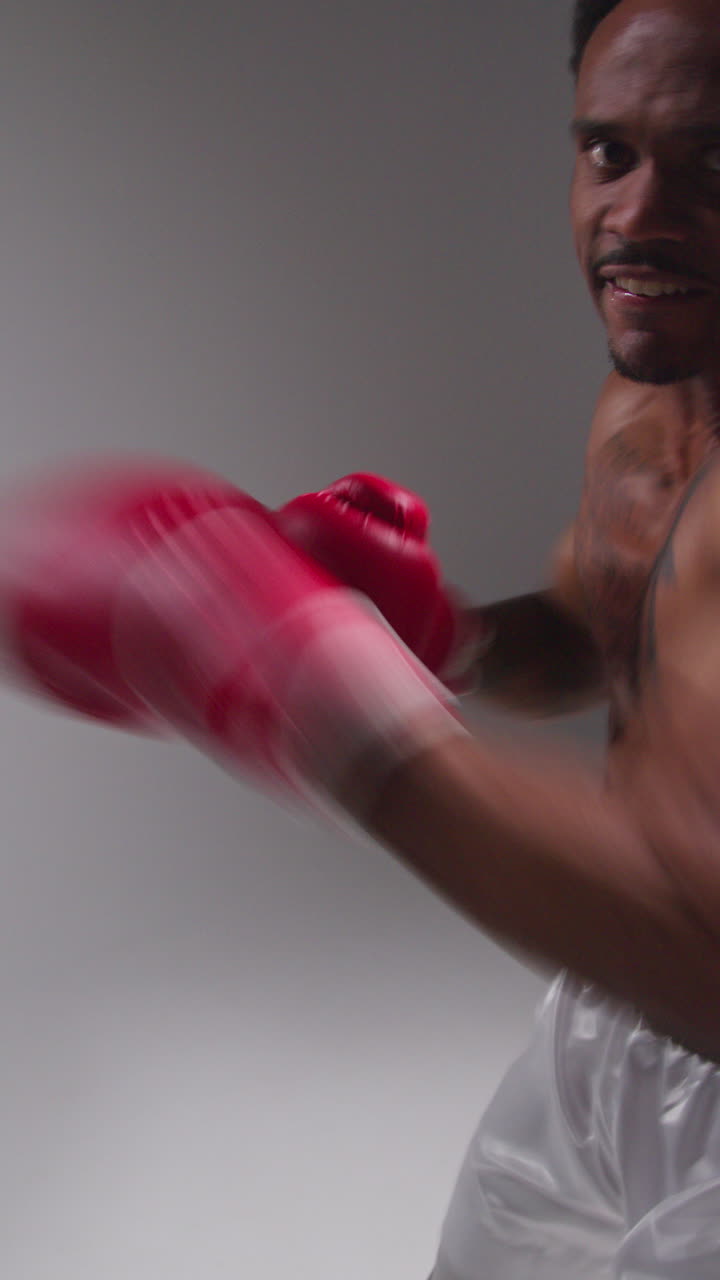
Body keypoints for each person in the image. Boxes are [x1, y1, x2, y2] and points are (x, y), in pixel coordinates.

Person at [3, 0, 720, 1274]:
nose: (638, 217)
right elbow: (601, 630)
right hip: (612, 1021)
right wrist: (442, 640)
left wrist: (317, 686)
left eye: (714, 161)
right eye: (610, 153)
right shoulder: (654, 399)